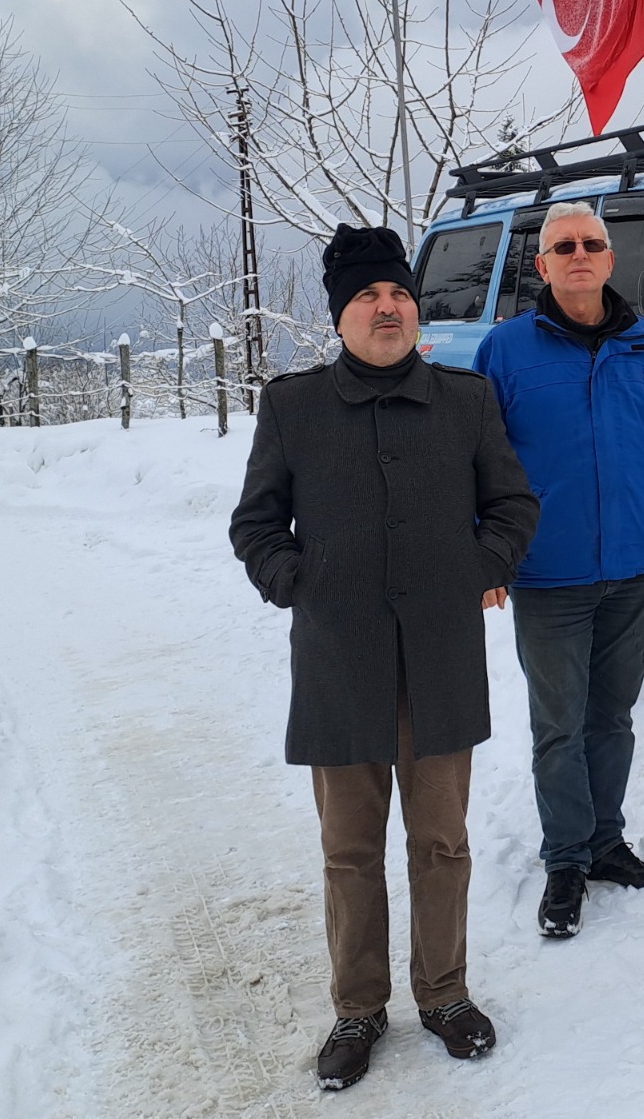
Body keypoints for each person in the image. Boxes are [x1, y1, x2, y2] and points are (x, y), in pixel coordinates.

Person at [229, 225, 540, 1090]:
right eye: (367, 296)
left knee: (441, 843)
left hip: (440, 661)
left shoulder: (464, 401)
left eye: (397, 293)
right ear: (340, 317)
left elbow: (513, 502)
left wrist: (481, 566)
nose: (387, 307)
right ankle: (359, 1008)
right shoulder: (292, 408)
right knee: (350, 852)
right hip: (340, 664)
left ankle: (443, 992)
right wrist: (298, 581)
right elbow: (254, 524)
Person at [471, 200, 644, 939]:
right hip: (548, 575)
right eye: (563, 246)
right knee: (560, 726)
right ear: (542, 265)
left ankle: (607, 843)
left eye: (592, 244)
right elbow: (476, 463)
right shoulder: (506, 351)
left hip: (638, 570)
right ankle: (565, 861)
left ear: (611, 260)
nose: (579, 254)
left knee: (611, 719)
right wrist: (485, 551)